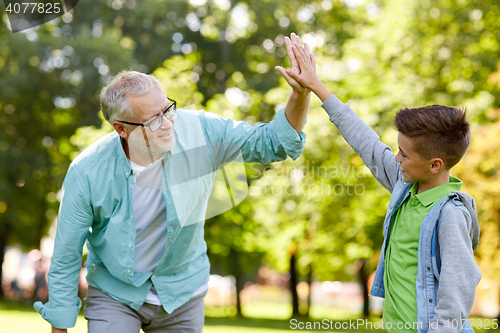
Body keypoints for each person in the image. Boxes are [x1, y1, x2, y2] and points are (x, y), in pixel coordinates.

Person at [34, 35, 310, 333]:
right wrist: (60, 326)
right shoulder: (87, 172)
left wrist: (300, 94)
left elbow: (273, 143)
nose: (168, 124)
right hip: (116, 292)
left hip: (182, 292)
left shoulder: (201, 132)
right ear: (121, 129)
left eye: (168, 109)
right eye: (154, 120)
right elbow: (66, 255)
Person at [278, 42, 481, 332]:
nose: (395, 157)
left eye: (404, 154)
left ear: (435, 165)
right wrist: (317, 87)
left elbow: (457, 291)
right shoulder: (406, 188)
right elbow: (366, 142)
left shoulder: (450, 216)